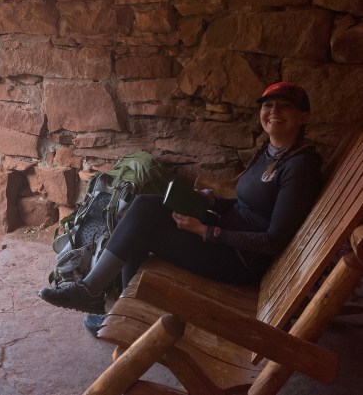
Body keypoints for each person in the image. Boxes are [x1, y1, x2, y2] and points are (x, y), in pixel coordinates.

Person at [38, 82, 323, 335]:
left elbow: (273, 240)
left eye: (285, 106)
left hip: (242, 260)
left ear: (304, 117)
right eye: (268, 105)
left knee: (143, 229)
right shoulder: (272, 152)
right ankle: (109, 303)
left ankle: (103, 301)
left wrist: (206, 231)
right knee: (147, 204)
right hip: (227, 235)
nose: (274, 111)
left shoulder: (301, 167)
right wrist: (210, 201)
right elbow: (249, 205)